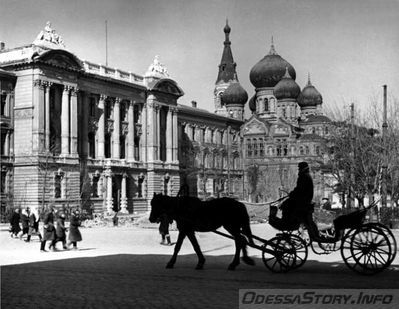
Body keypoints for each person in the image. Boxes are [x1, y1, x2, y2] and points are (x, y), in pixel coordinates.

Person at [269, 162, 316, 232]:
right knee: (287, 203)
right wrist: (292, 194)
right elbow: (299, 190)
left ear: (302, 168)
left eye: (299, 168)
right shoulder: (306, 176)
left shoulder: (303, 176)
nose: (298, 169)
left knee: (286, 204)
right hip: (305, 200)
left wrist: (291, 194)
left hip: (303, 201)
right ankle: (286, 220)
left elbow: (299, 190)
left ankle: (286, 221)